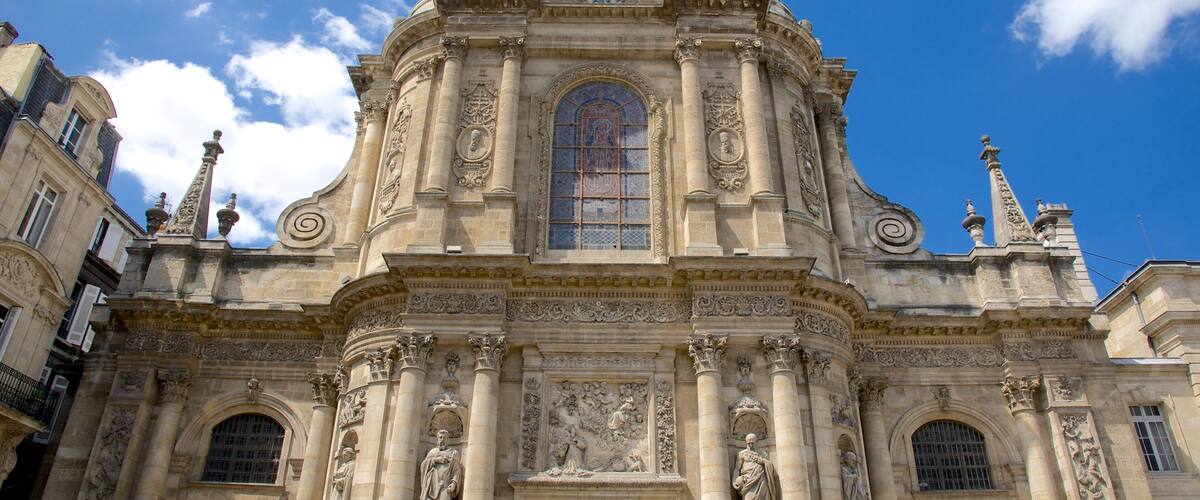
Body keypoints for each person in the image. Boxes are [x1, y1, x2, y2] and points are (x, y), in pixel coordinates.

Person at [732, 433, 778, 500]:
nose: (750, 445)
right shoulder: (742, 453)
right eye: (748, 443)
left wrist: (763, 461)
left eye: (752, 443)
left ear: (757, 442)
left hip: (762, 480)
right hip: (748, 481)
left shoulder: (763, 454)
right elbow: (737, 469)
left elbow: (770, 467)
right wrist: (734, 481)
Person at [419, 429, 462, 500]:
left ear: (447, 439)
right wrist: (435, 460)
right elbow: (423, 466)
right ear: (437, 439)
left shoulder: (453, 453)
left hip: (445, 484)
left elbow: (456, 471)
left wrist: (453, 483)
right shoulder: (432, 452)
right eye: (440, 437)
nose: (442, 440)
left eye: (444, 438)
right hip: (431, 485)